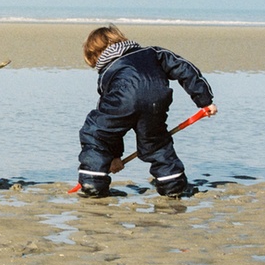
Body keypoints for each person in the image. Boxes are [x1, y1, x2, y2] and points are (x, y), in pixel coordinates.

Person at [77, 25, 217, 198]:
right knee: (155, 142)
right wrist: (205, 100)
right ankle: (173, 185)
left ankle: (93, 181)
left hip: (124, 98)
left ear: (95, 54)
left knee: (96, 132)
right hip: (157, 99)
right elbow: (185, 68)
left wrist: (114, 156)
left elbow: (108, 126)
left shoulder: (107, 72)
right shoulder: (153, 53)